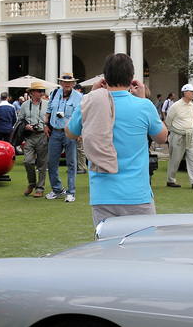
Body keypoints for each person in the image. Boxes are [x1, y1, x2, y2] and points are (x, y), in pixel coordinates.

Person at [66, 53, 168, 227]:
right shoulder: (143, 105)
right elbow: (162, 136)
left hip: (103, 194)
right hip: (137, 194)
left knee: (107, 251)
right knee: (143, 251)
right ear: (132, 78)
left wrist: (92, 95)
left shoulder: (90, 102)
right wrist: (143, 99)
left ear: (104, 78)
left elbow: (70, 132)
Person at [45, 72, 83, 202]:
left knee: (71, 162)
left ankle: (70, 192)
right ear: (61, 83)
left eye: (69, 82)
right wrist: (46, 124)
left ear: (73, 83)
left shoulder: (79, 97)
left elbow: (82, 116)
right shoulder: (55, 94)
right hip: (55, 131)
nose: (67, 84)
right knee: (52, 162)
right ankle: (57, 189)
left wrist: (80, 133)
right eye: (64, 82)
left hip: (70, 132)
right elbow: (49, 110)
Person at [165, 84, 193, 190]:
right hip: (178, 135)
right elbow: (168, 121)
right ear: (185, 93)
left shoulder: (192, 105)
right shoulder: (176, 106)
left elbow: (191, 120)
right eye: (191, 92)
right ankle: (171, 180)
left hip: (190, 135)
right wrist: (174, 132)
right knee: (175, 158)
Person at [17, 81, 50, 197]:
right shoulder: (25, 105)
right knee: (28, 161)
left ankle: (40, 188)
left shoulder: (47, 104)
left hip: (42, 135)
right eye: (39, 91)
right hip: (30, 136)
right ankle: (32, 183)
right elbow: (19, 120)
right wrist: (26, 126)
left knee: (42, 163)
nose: (41, 93)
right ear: (32, 92)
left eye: (42, 91)